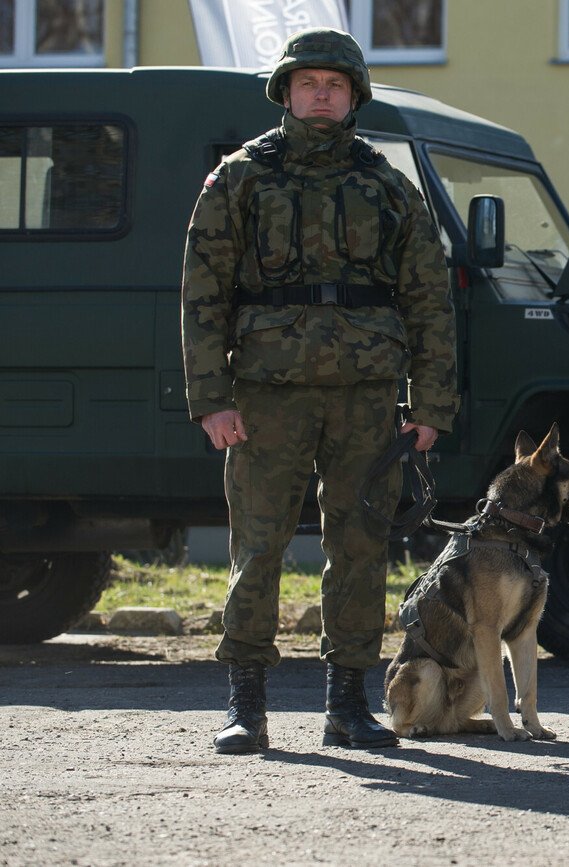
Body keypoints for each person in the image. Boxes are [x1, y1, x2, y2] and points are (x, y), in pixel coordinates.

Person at [181, 28, 459, 754]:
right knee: (259, 546)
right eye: (309, 83)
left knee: (361, 546)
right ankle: (247, 703)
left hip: (368, 395)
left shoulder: (387, 184)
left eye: (336, 84)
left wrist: (430, 405)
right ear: (287, 93)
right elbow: (202, 291)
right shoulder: (240, 177)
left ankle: (349, 704)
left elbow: (430, 296)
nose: (322, 94)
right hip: (266, 392)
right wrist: (211, 396)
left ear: (355, 95)